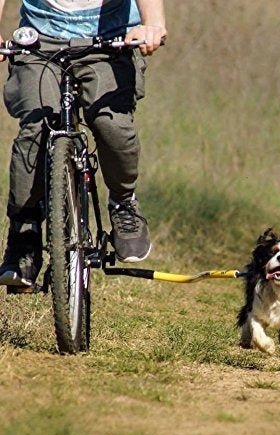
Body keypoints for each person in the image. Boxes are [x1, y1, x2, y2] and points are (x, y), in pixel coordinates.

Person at [0, 0, 167, 290]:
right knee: (36, 130)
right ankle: (23, 236)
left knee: (111, 124)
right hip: (39, 43)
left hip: (109, 42)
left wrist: (153, 23)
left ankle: (123, 203)